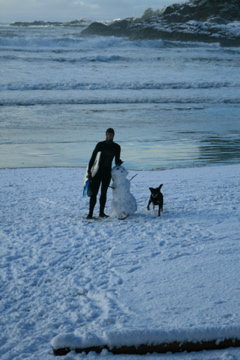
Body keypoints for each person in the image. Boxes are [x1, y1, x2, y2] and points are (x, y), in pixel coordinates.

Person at [86, 128, 123, 219]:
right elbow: (93, 157)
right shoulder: (100, 145)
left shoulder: (117, 147)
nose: (109, 136)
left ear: (113, 135)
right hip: (97, 172)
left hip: (107, 172)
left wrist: (120, 163)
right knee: (94, 193)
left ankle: (101, 213)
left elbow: (116, 160)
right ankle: (90, 214)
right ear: (105, 134)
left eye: (111, 134)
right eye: (108, 134)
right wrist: (89, 171)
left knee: (104, 192)